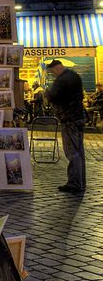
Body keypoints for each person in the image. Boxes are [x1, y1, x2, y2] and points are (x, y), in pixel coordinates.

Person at [45, 59, 86, 194]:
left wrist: (47, 93)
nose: (53, 75)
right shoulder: (75, 76)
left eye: (52, 72)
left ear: (56, 69)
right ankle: (80, 182)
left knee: (72, 151)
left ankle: (74, 183)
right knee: (79, 150)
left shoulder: (62, 80)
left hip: (69, 119)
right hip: (79, 117)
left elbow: (52, 95)